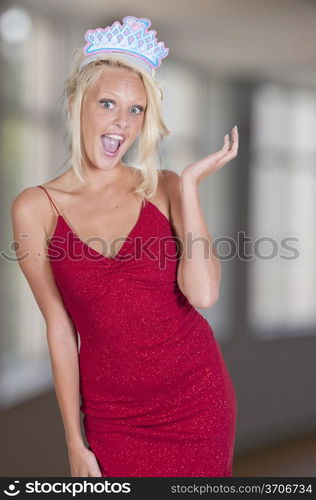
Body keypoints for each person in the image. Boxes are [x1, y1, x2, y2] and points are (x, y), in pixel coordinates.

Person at [11, 16, 239, 477]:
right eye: (109, 104)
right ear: (77, 105)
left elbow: (204, 295)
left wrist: (190, 186)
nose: (122, 121)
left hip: (198, 402)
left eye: (136, 110)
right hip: (112, 419)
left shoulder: (166, 188)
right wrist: (75, 443)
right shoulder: (36, 208)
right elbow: (59, 328)